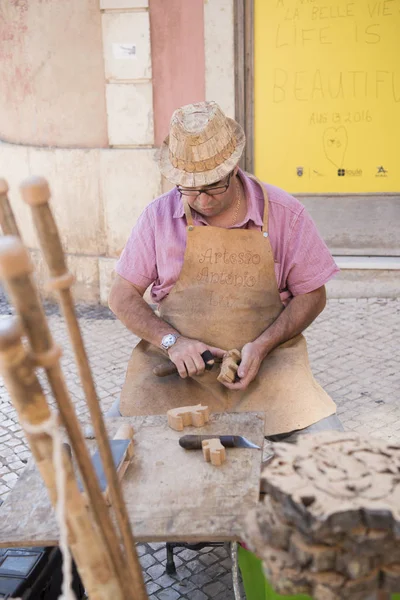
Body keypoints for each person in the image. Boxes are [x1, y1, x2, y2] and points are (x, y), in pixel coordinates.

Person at [109, 100, 343, 440]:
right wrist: (172, 342)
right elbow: (121, 296)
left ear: (234, 168)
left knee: (334, 454)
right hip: (179, 374)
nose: (202, 200)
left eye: (214, 185)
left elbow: (313, 294)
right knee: (106, 452)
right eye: (190, 187)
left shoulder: (285, 214)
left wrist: (262, 346)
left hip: (269, 369)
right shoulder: (157, 218)